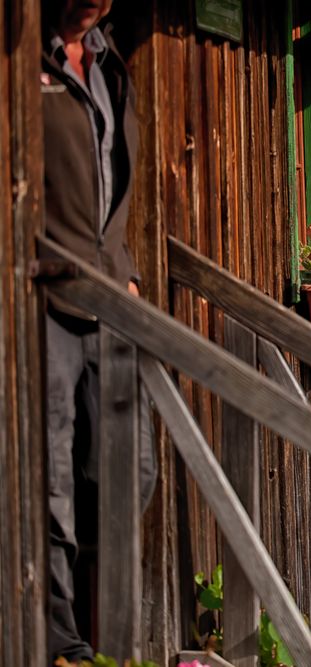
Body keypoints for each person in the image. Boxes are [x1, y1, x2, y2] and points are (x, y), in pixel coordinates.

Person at [41, 1, 155, 663]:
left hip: (110, 294)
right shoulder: (28, 61)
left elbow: (112, 184)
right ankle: (60, 641)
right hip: (46, 294)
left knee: (127, 467)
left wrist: (123, 268)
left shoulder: (111, 64)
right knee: (51, 471)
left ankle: (85, 611)